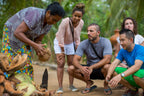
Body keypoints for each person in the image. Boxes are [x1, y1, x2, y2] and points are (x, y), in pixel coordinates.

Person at [1, 2, 65, 80]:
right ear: (48, 13)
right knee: (11, 61)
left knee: (26, 62)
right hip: (12, 31)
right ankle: (6, 83)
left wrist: (39, 49)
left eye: (56, 21)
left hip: (26, 35)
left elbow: (38, 40)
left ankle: (25, 85)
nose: (54, 23)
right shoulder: (35, 15)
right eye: (54, 20)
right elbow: (17, 32)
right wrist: (35, 45)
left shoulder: (49, 24)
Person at [67, 23, 113, 95]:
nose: (88, 33)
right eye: (88, 31)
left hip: (101, 69)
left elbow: (107, 59)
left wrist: (92, 67)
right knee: (70, 68)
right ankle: (88, 82)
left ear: (98, 33)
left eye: (91, 31)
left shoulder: (105, 42)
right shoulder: (83, 43)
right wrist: (81, 68)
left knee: (108, 66)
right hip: (89, 71)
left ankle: (106, 84)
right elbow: (75, 59)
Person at [54, 3, 85, 94]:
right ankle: (60, 87)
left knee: (71, 64)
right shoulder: (65, 21)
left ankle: (71, 85)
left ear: (81, 17)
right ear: (72, 14)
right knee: (61, 63)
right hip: (60, 42)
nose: (77, 18)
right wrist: (62, 51)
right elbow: (60, 36)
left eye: (79, 16)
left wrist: (77, 47)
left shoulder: (81, 22)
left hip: (70, 43)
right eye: (75, 15)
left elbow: (77, 36)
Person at [106, 29, 144, 96]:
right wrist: (108, 75)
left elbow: (137, 66)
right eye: (120, 40)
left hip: (140, 74)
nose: (121, 43)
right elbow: (114, 63)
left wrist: (121, 76)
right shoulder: (123, 51)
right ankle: (133, 90)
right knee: (113, 71)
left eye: (123, 40)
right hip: (134, 74)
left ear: (131, 40)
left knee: (137, 75)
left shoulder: (140, 49)